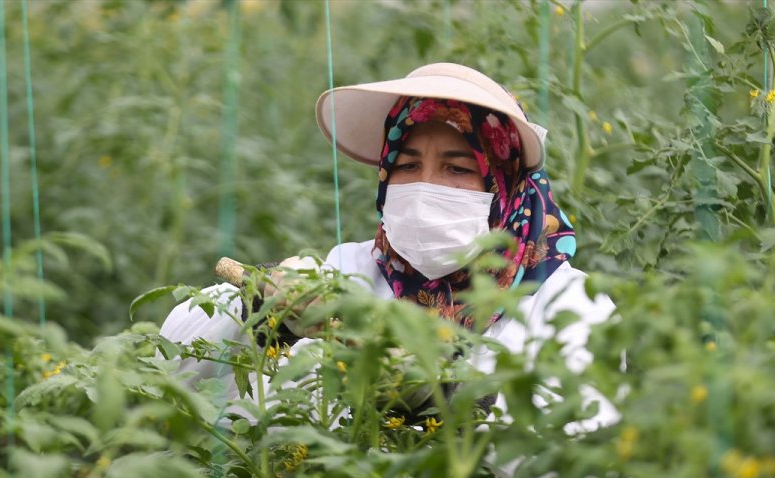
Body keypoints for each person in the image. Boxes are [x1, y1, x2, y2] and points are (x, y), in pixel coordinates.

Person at [159, 62, 617, 430]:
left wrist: (454, 402)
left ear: (503, 186)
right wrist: (252, 310)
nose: (424, 187)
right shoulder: (348, 272)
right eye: (408, 164)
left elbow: (587, 449)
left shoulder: (566, 303)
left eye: (457, 169)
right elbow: (170, 366)